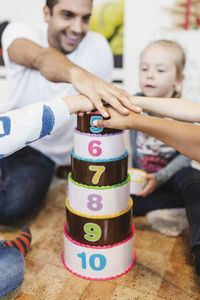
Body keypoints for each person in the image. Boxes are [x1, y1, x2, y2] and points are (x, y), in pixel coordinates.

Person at [0, 0, 141, 225]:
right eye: (68, 15)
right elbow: (42, 58)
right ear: (47, 13)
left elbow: (100, 114)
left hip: (41, 152)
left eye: (85, 18)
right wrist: (77, 75)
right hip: (9, 131)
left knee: (13, 206)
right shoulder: (19, 32)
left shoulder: (98, 46)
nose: (77, 28)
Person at [94, 40, 200, 276]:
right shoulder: (132, 103)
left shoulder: (181, 110)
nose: (150, 75)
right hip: (143, 181)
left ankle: (198, 243)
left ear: (178, 79)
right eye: (144, 68)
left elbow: (187, 155)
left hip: (172, 176)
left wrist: (160, 177)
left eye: (160, 70)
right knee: (119, 201)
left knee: (194, 181)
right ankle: (177, 205)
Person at [0, 94, 95, 297]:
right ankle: (7, 249)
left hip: (37, 151)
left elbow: (12, 128)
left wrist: (70, 104)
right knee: (11, 264)